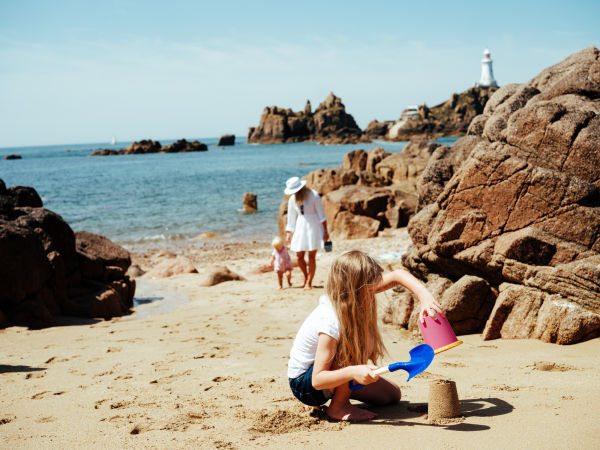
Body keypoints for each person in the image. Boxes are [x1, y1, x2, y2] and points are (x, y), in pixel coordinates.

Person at [287, 250, 444, 421]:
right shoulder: (330, 319)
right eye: (370, 289)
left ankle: (340, 391)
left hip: (329, 376)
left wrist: (426, 298)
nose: (374, 292)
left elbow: (398, 275)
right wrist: (353, 371)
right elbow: (317, 380)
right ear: (355, 288)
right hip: (306, 386)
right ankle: (339, 406)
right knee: (357, 342)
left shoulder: (350, 295)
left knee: (391, 396)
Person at [284, 176, 329, 289]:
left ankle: (309, 281)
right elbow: (291, 218)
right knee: (299, 256)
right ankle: (305, 276)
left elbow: (322, 216)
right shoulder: (292, 199)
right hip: (300, 227)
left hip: (313, 226)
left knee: (312, 256)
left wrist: (325, 232)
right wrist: (289, 234)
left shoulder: (314, 195)